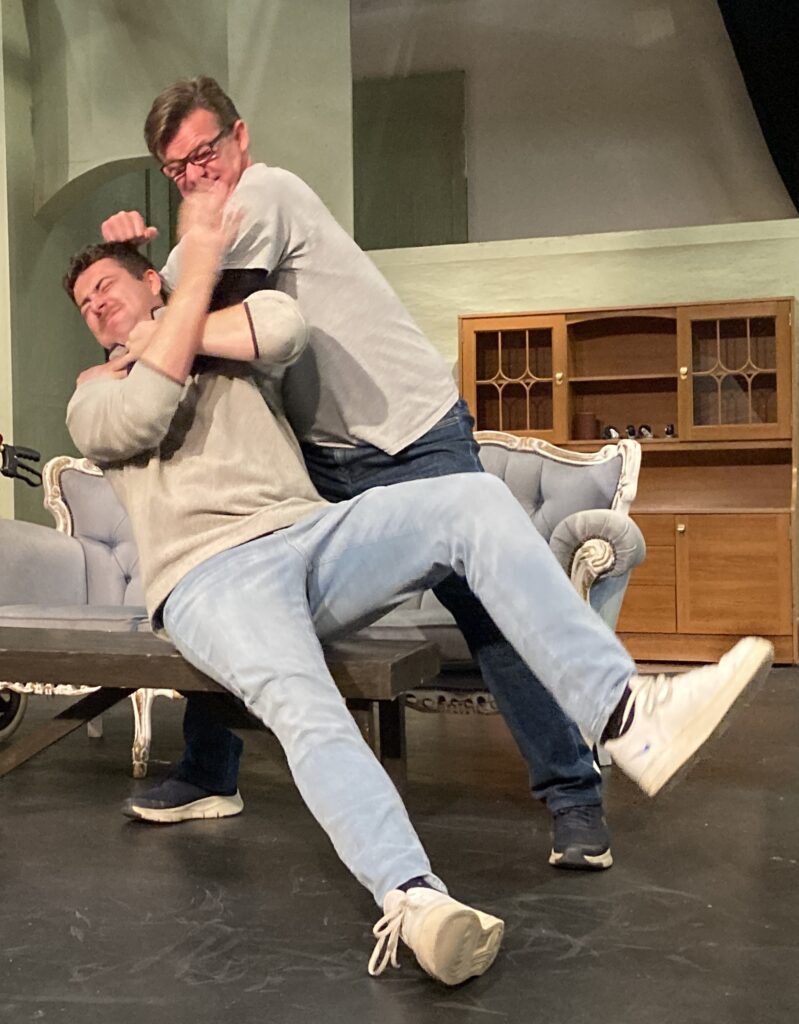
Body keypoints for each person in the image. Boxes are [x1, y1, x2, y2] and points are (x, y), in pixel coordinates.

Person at [65, 190, 771, 984]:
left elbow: (283, 327)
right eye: (84, 307)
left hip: (308, 536)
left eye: (106, 289)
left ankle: (624, 715)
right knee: (304, 703)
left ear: (152, 282)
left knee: (470, 500)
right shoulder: (93, 393)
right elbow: (144, 410)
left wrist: (173, 316)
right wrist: (173, 311)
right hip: (208, 577)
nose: (96, 309)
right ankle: (412, 898)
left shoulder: (213, 326)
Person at [97, 77, 613, 870]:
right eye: (178, 169)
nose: (198, 175)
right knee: (244, 586)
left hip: (407, 428)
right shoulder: (200, 237)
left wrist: (146, 288)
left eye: (205, 153)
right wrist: (127, 265)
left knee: (481, 607)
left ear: (240, 139)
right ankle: (209, 770)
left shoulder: (264, 192)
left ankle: (574, 795)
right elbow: (164, 309)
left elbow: (193, 313)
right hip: (324, 453)